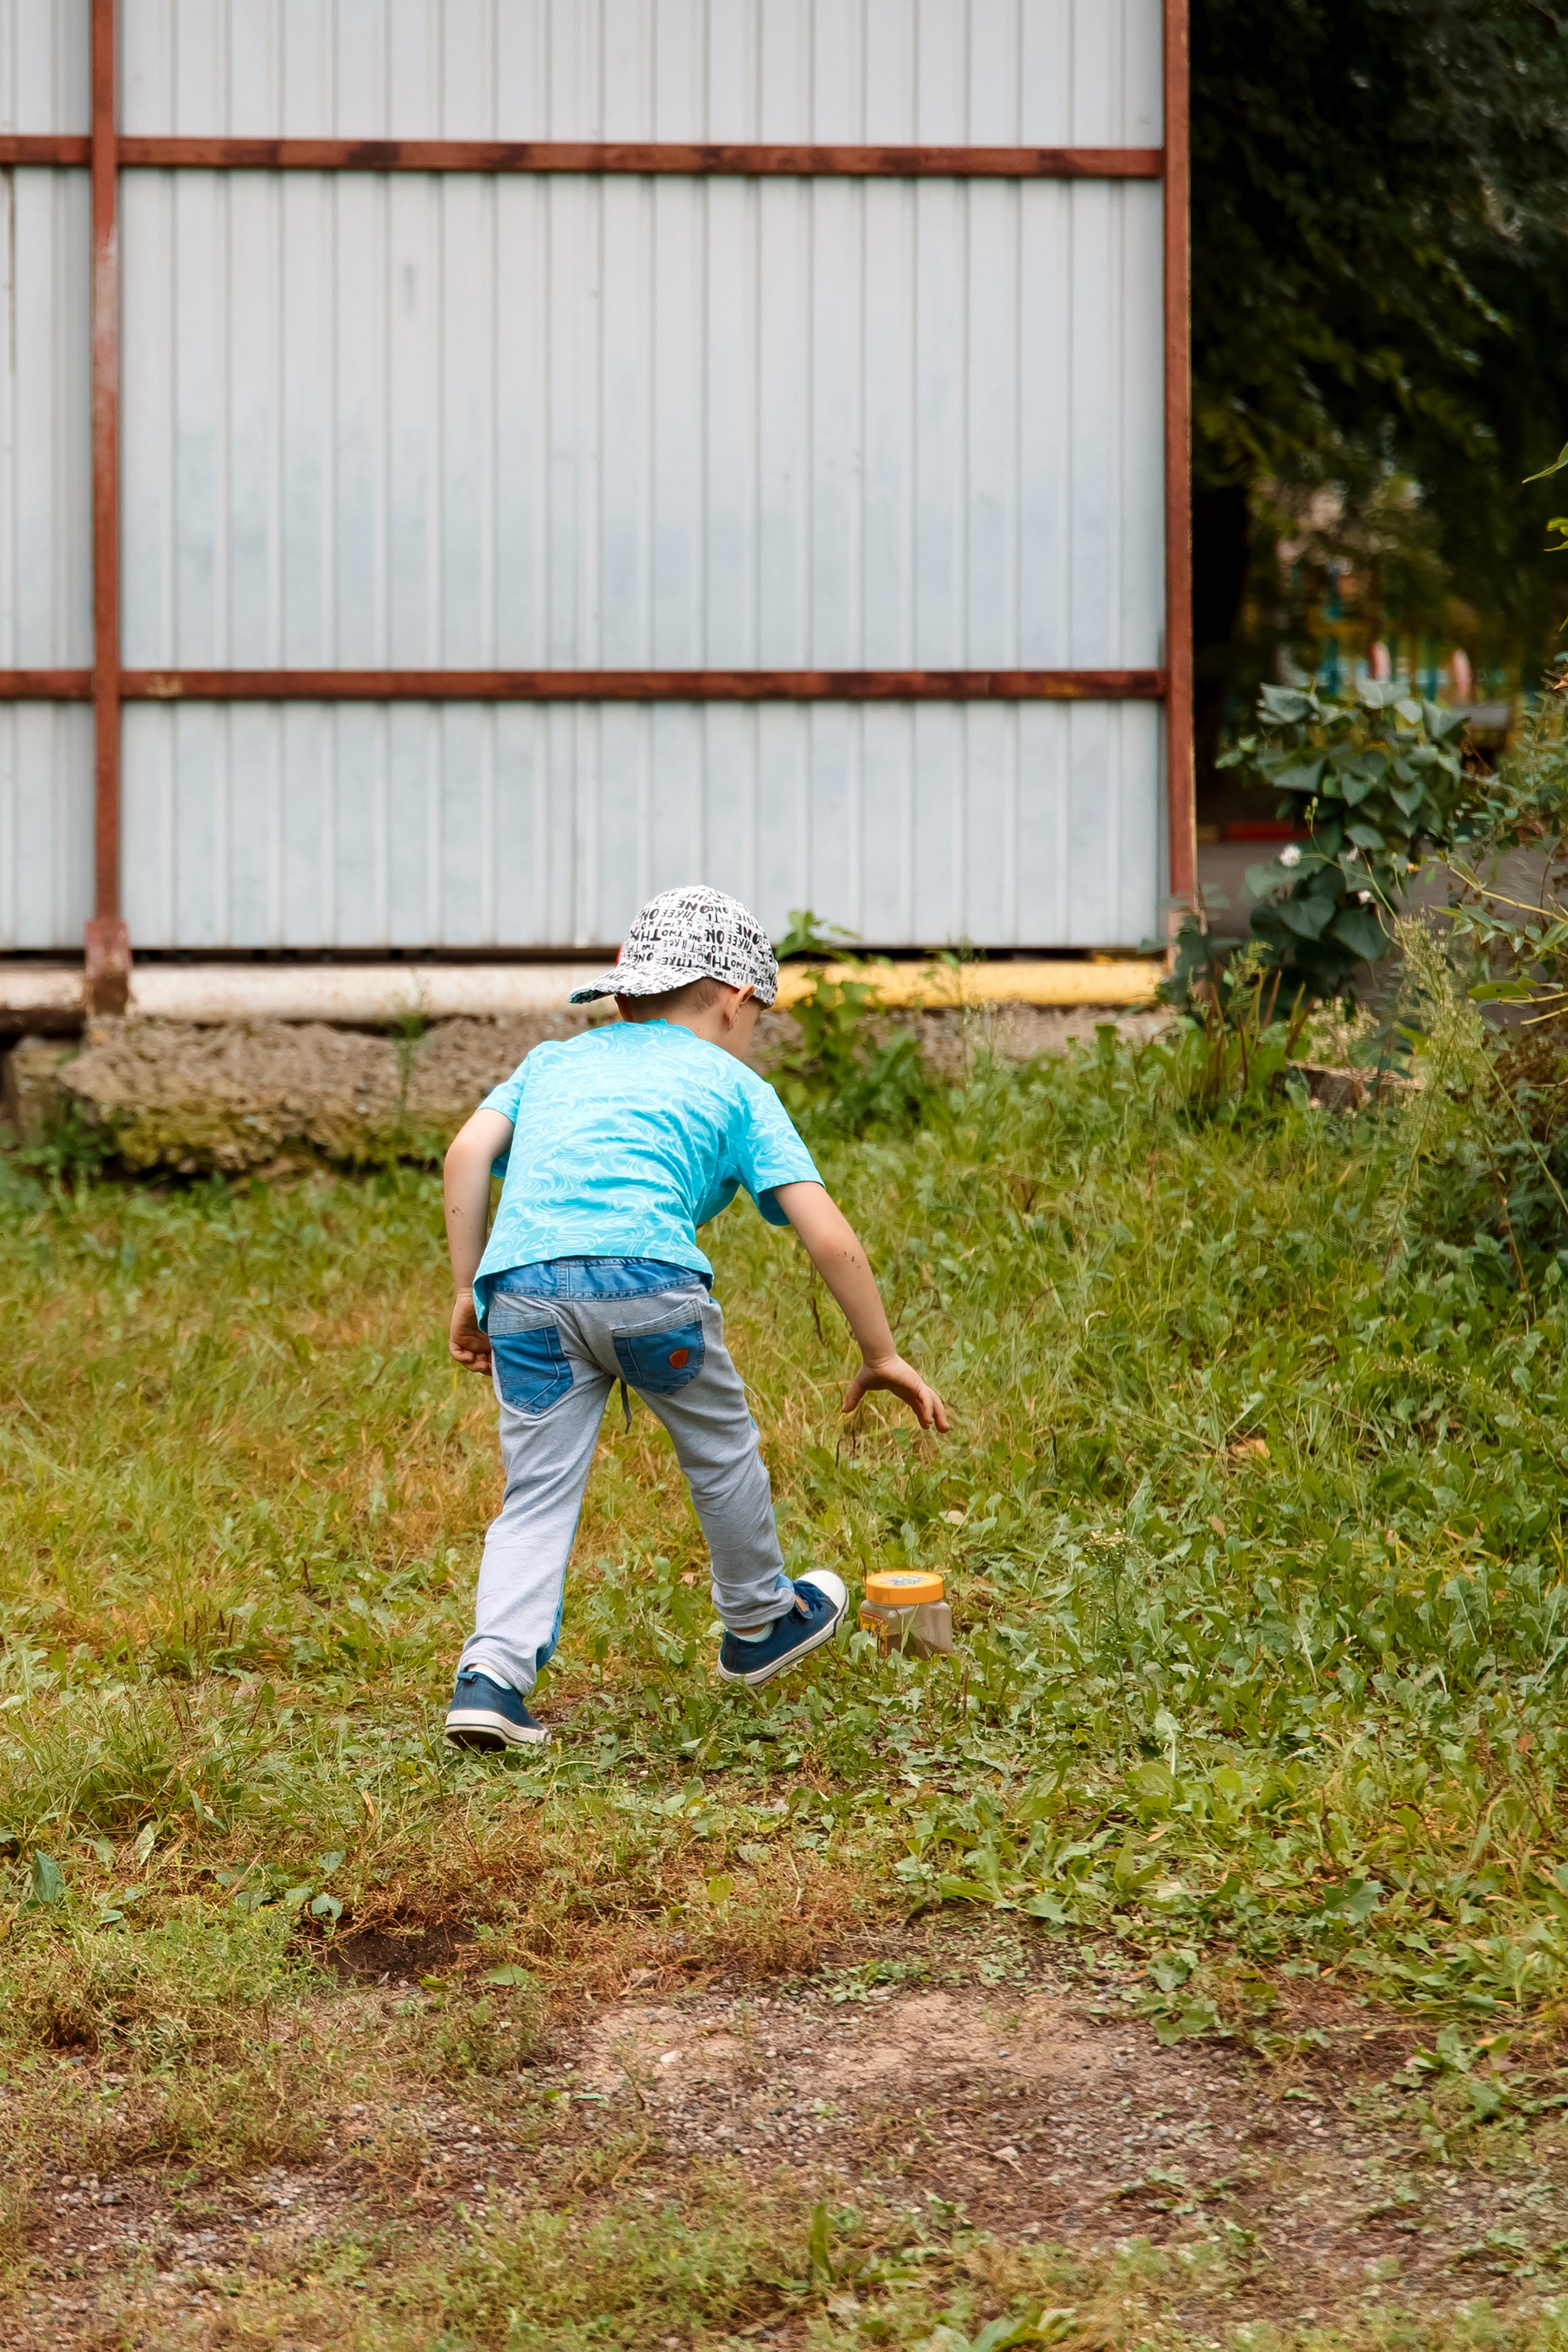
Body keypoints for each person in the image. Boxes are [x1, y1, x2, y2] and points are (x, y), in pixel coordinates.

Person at [439, 884, 949, 1749]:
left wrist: (467, 1290)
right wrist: (880, 1353)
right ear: (736, 1001)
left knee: (536, 1492)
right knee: (719, 1450)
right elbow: (826, 1232)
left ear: (625, 997)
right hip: (649, 1283)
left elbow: (467, 1151)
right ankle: (759, 1622)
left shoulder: (551, 1063)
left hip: (522, 1291)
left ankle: (490, 1679)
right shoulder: (734, 1082)